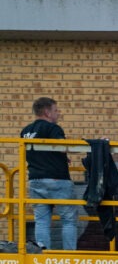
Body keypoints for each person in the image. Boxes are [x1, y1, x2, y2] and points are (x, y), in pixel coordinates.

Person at [21, 97, 78, 250]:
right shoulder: (53, 128)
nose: (58, 114)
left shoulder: (25, 131)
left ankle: (42, 256)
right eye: (55, 110)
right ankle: (70, 257)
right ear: (47, 112)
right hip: (57, 179)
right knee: (68, 220)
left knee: (41, 221)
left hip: (35, 180)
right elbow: (61, 147)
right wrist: (78, 148)